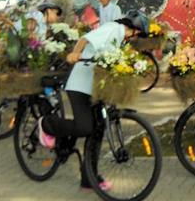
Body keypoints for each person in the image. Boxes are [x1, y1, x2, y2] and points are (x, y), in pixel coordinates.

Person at [37, 10, 150, 190]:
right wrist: (75, 53)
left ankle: (89, 177)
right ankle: (47, 124)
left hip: (96, 89)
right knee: (85, 127)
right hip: (80, 86)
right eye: (138, 35)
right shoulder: (114, 29)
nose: (136, 39)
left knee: (97, 131)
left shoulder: (121, 40)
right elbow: (85, 39)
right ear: (134, 30)